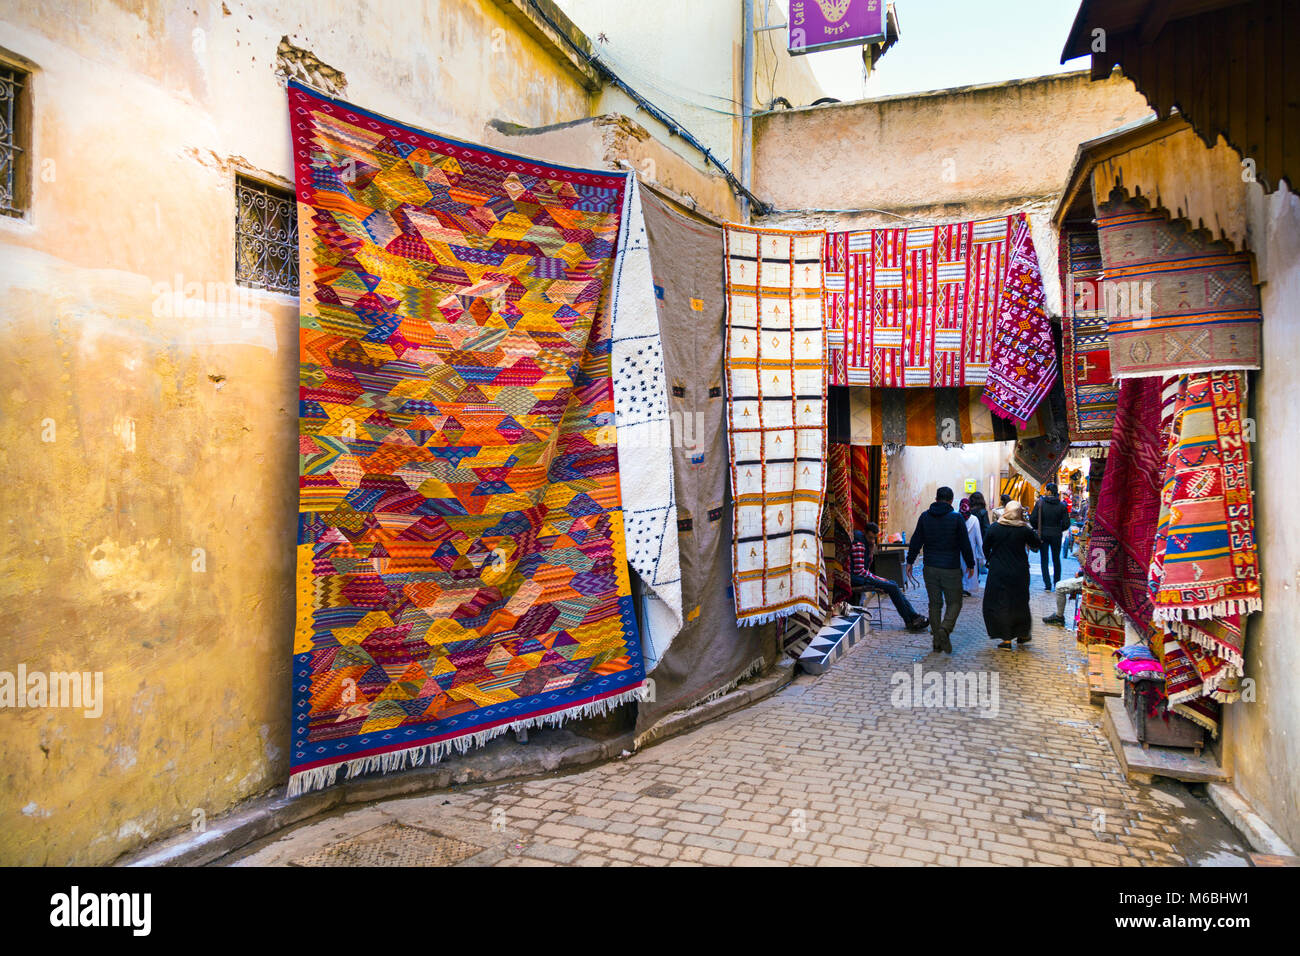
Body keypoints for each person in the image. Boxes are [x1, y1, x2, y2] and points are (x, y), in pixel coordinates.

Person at [905, 487, 976, 654]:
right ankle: (945, 629)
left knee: (935, 605)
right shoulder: (957, 518)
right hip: (950, 568)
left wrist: (909, 561)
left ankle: (937, 642)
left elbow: (916, 540)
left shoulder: (925, 516)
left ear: (936, 499)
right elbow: (965, 544)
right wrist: (970, 564)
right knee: (955, 602)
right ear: (951, 501)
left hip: (930, 568)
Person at [982, 500, 1042, 650]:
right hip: (1019, 572)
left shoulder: (995, 528)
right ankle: (1022, 634)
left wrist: (993, 557)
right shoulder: (1024, 530)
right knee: (1019, 603)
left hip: (998, 571)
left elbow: (985, 547)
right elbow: (1037, 543)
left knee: (1000, 603)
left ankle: (1006, 639)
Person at [850, 525, 929, 632]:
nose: (872, 540)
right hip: (856, 579)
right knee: (891, 586)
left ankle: (912, 618)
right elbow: (860, 571)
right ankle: (910, 619)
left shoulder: (866, 544)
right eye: (870, 537)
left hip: (860, 577)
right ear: (864, 533)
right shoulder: (859, 545)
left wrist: (871, 551)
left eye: (874, 538)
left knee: (893, 585)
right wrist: (880, 580)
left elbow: (865, 568)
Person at [1028, 481, 1069, 591]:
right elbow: (1066, 523)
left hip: (1043, 535)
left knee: (1044, 559)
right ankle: (1057, 583)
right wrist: (1058, 529)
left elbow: (1033, 519)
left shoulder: (1040, 504)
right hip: (1056, 535)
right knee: (1056, 559)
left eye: (1046, 490)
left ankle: (1047, 584)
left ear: (1049, 491)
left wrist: (1038, 528)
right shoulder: (1061, 506)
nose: (1045, 492)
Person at [959, 498, 983, 596]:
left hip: (957, 549)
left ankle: (959, 587)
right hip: (970, 549)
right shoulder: (974, 519)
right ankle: (968, 589)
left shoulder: (956, 517)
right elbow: (979, 538)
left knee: (959, 569)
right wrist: (982, 555)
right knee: (969, 569)